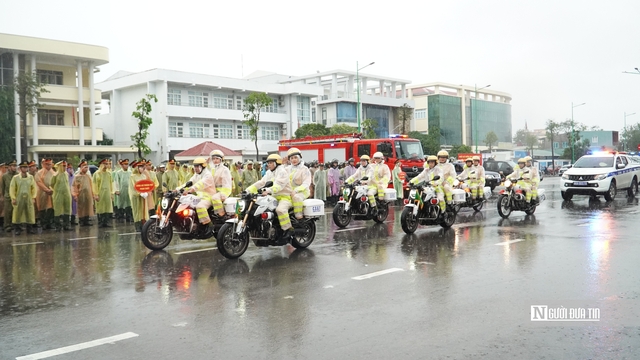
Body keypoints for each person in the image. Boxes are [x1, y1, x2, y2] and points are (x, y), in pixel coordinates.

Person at [246, 154, 294, 242]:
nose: (269, 164)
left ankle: (288, 229)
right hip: (272, 197)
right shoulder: (269, 172)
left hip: (284, 197)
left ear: (277, 163)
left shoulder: (282, 172)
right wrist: (247, 190)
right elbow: (261, 183)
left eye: (271, 162)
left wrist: (268, 190)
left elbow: (279, 186)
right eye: (268, 163)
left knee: (280, 210)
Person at [182, 157, 217, 235]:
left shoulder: (207, 175)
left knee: (200, 207)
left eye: (198, 166)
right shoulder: (196, 175)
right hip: (200, 198)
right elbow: (189, 182)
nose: (196, 168)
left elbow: (200, 184)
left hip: (209, 197)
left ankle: (209, 225)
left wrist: (190, 190)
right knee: (187, 204)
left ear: (203, 166)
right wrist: (178, 189)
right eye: (195, 166)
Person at [10, 161, 38, 235]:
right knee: (17, 212)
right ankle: (17, 229)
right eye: (24, 167)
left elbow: (34, 188)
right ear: (20, 168)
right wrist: (13, 198)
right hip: (19, 198)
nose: (25, 169)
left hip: (28, 197)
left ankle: (30, 228)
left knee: (29, 212)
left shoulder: (30, 177)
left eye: (26, 167)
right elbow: (12, 188)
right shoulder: (15, 178)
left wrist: (33, 197)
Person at [287, 148, 312, 220]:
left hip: (302, 192)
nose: (293, 160)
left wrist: (296, 191)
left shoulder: (304, 169)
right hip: (290, 192)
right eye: (292, 158)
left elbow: (306, 183)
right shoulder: (287, 169)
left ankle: (299, 217)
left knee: (296, 198)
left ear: (300, 158)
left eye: (295, 157)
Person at [72, 160, 96, 226]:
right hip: (80, 194)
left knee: (87, 207)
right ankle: (81, 220)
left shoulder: (88, 176)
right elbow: (74, 187)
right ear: (80, 167)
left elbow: (91, 186)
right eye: (84, 166)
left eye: (86, 166)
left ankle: (86, 220)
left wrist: (93, 194)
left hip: (88, 194)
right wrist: (75, 195)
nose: (86, 167)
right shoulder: (77, 176)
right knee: (81, 207)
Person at [50, 160, 73, 231]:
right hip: (58, 194)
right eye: (63, 166)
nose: (65, 167)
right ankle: (58, 226)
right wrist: (56, 191)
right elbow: (51, 184)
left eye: (65, 166)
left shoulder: (66, 174)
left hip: (67, 194)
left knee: (67, 209)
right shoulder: (55, 175)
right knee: (57, 210)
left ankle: (66, 225)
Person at [129, 160, 151, 232]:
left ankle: (144, 225)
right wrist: (139, 193)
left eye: (142, 167)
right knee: (137, 211)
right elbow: (133, 187)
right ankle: (137, 226)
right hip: (136, 196)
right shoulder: (132, 177)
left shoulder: (144, 176)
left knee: (143, 210)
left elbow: (146, 185)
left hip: (143, 196)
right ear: (136, 168)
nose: (142, 168)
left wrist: (146, 192)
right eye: (140, 167)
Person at [35, 158, 55, 230]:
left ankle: (50, 223)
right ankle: (43, 223)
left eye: (50, 164)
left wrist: (52, 190)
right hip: (42, 193)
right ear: (43, 164)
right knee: (42, 208)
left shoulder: (54, 173)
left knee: (51, 208)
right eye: (47, 164)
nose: (48, 166)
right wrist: (46, 189)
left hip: (52, 193)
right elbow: (39, 182)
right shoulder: (39, 173)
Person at [93, 158, 114, 227]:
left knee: (107, 207)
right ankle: (101, 222)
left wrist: (112, 193)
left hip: (107, 192)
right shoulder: (97, 173)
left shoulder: (109, 173)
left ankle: (106, 222)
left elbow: (111, 183)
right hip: (100, 192)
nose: (106, 165)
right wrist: (95, 194)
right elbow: (94, 184)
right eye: (105, 164)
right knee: (100, 207)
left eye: (107, 164)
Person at [1, 160, 18, 233]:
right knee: (8, 211)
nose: (15, 168)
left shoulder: (18, 175)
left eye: (15, 166)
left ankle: (15, 225)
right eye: (13, 166)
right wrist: (2, 196)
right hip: (7, 196)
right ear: (9, 167)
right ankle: (7, 226)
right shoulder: (5, 176)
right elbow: (3, 187)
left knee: (16, 211)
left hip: (16, 195)